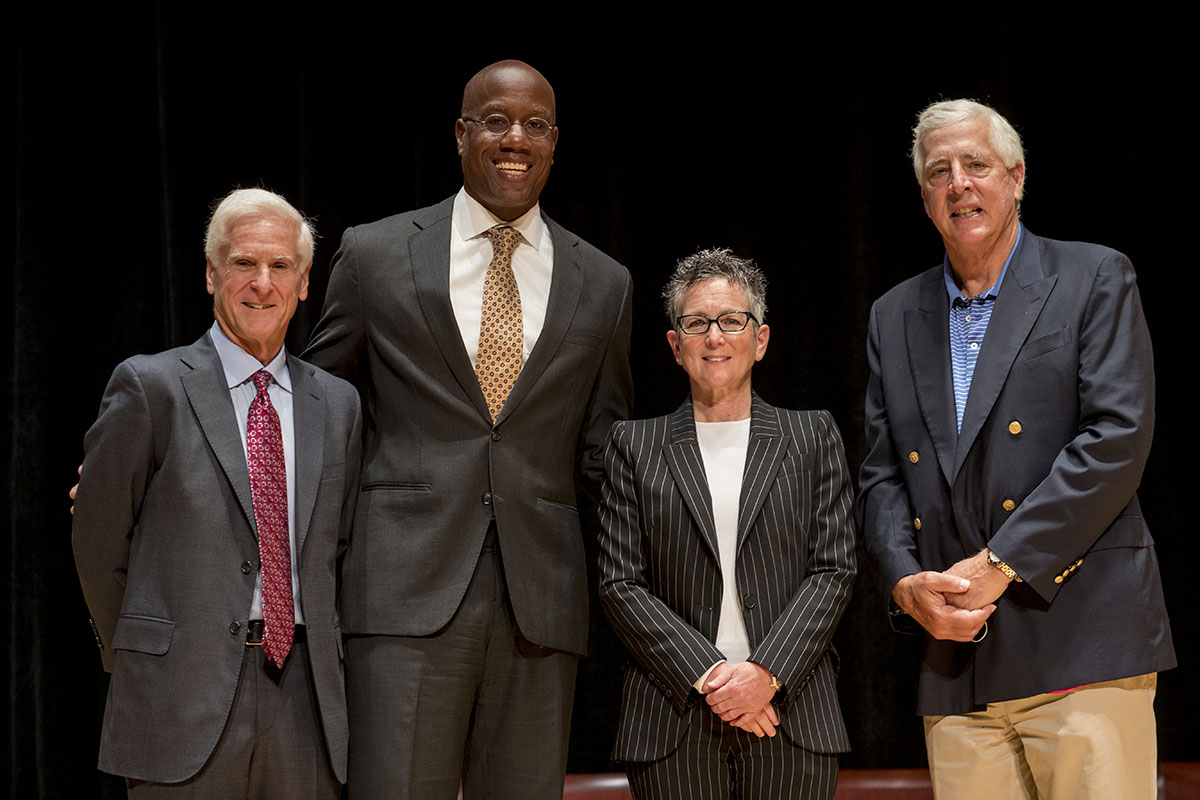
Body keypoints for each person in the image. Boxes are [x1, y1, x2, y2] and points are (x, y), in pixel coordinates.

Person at [302, 59, 634, 799]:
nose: (515, 137)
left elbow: (602, 454)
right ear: (461, 134)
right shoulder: (375, 254)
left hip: (539, 609)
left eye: (535, 125)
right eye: (496, 120)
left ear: (554, 142)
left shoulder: (605, 283)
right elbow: (314, 411)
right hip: (400, 596)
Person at [857, 99, 1176, 799]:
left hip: (1082, 641)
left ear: (1017, 177)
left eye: (976, 165)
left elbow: (1116, 439)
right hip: (955, 660)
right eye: (939, 171)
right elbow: (880, 477)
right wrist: (906, 585)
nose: (959, 183)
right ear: (923, 197)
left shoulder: (1093, 277)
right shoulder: (892, 315)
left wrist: (1003, 563)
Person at [71, 188, 362, 797]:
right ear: (210, 273)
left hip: (305, 701)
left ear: (304, 282)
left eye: (280, 266)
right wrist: (145, 649)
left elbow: (338, 546)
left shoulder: (337, 405)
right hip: (181, 694)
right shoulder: (150, 388)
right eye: (243, 263)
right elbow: (98, 540)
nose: (262, 283)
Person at [597, 248, 855, 799]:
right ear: (675, 345)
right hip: (675, 713)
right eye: (696, 323)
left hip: (789, 710)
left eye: (732, 320)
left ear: (760, 339)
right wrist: (713, 677)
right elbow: (620, 583)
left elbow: (833, 570)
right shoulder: (634, 446)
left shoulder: (811, 437)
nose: (714, 336)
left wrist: (764, 674)